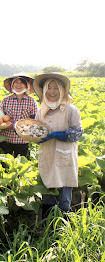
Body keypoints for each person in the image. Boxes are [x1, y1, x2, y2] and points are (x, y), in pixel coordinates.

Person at [33, 73, 82, 216]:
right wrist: (35, 137)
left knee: (64, 197)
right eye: (49, 88)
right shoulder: (40, 111)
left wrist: (61, 135)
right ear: (44, 91)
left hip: (65, 157)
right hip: (47, 155)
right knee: (47, 192)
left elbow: (78, 132)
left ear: (62, 90)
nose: (52, 92)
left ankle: (63, 229)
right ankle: (47, 229)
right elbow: (36, 130)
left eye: (56, 88)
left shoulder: (71, 109)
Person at [0, 73, 38, 157]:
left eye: (22, 82)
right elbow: (0, 118)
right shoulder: (6, 100)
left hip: (22, 141)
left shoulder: (32, 101)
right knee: (4, 166)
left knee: (19, 165)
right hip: (5, 139)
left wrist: (16, 125)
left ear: (27, 85)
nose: (18, 85)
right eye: (16, 82)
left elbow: (34, 121)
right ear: (12, 85)